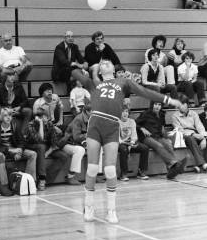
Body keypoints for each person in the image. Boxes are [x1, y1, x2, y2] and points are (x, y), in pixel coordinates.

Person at [71, 59, 182, 224]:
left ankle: (111, 210)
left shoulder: (123, 82)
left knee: (109, 169)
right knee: (93, 168)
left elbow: (145, 92)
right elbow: (73, 72)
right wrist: (89, 70)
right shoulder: (94, 84)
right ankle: (89, 207)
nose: (105, 63)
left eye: (107, 62)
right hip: (95, 124)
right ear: (100, 71)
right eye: (101, 63)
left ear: (114, 70)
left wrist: (168, 100)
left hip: (112, 126)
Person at [0, 108, 37, 196]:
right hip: (3, 151)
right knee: (0, 155)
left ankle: (29, 182)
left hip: (15, 150)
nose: (8, 118)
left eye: (10, 115)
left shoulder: (15, 125)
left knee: (32, 154)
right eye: (5, 115)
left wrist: (19, 152)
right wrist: (10, 150)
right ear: (1, 117)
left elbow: (22, 142)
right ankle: (4, 185)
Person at [136, 101, 187, 179]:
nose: (157, 106)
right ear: (152, 105)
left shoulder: (161, 115)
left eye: (159, 105)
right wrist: (142, 128)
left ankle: (172, 170)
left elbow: (162, 128)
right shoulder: (145, 113)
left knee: (168, 144)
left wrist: (166, 137)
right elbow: (135, 123)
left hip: (158, 136)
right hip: (146, 137)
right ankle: (175, 163)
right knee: (159, 145)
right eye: (155, 104)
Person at [172, 95, 207, 173]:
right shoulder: (175, 116)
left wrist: (204, 138)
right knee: (190, 138)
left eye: (182, 104)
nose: (181, 107)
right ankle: (202, 163)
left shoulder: (194, 114)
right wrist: (193, 134)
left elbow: (200, 127)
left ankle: (198, 166)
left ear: (187, 104)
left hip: (196, 135)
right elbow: (180, 130)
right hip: (184, 136)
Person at [0, 69, 32, 133]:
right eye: (10, 75)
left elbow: (25, 100)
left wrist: (19, 107)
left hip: (16, 110)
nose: (12, 77)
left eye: (13, 75)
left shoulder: (18, 86)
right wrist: (6, 109)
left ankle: (23, 134)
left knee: (28, 111)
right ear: (5, 77)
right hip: (5, 110)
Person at [118, 106, 149, 181]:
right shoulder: (117, 121)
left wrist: (131, 143)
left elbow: (134, 135)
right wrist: (123, 143)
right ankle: (123, 173)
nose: (125, 113)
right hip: (120, 143)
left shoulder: (132, 121)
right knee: (123, 149)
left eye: (126, 111)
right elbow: (116, 136)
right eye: (123, 111)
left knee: (145, 148)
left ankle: (141, 171)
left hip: (130, 142)